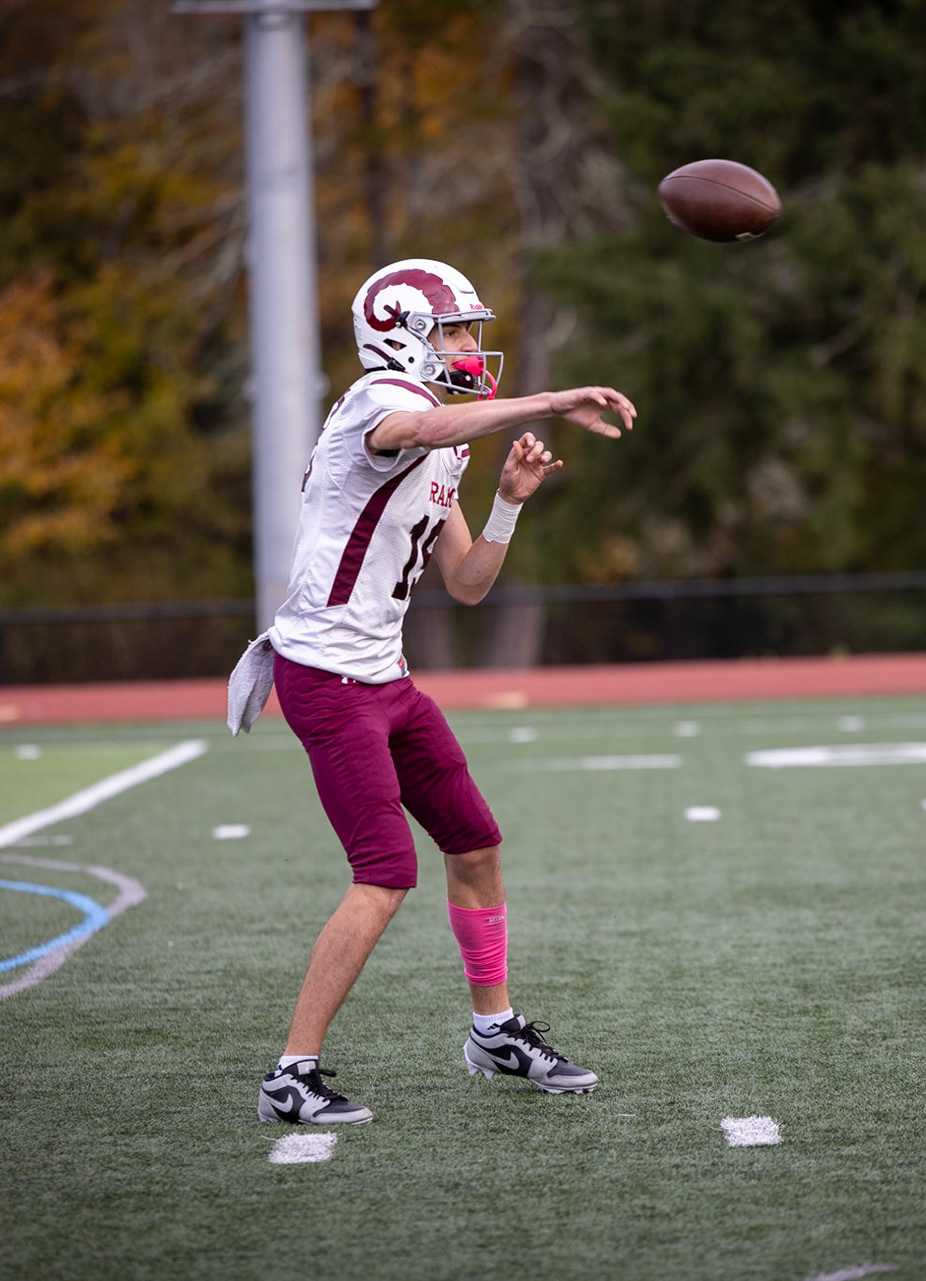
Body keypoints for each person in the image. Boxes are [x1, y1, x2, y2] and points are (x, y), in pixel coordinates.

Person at [231, 259, 636, 1123]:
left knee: (475, 840)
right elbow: (415, 421)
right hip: (327, 679)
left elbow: (468, 581)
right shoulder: (376, 404)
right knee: (383, 871)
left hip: (385, 674)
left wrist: (509, 503)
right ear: (400, 333)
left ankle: (493, 1029)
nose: (468, 346)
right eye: (453, 330)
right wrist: (550, 400)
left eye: (468, 330)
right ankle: (289, 1074)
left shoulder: (440, 437)